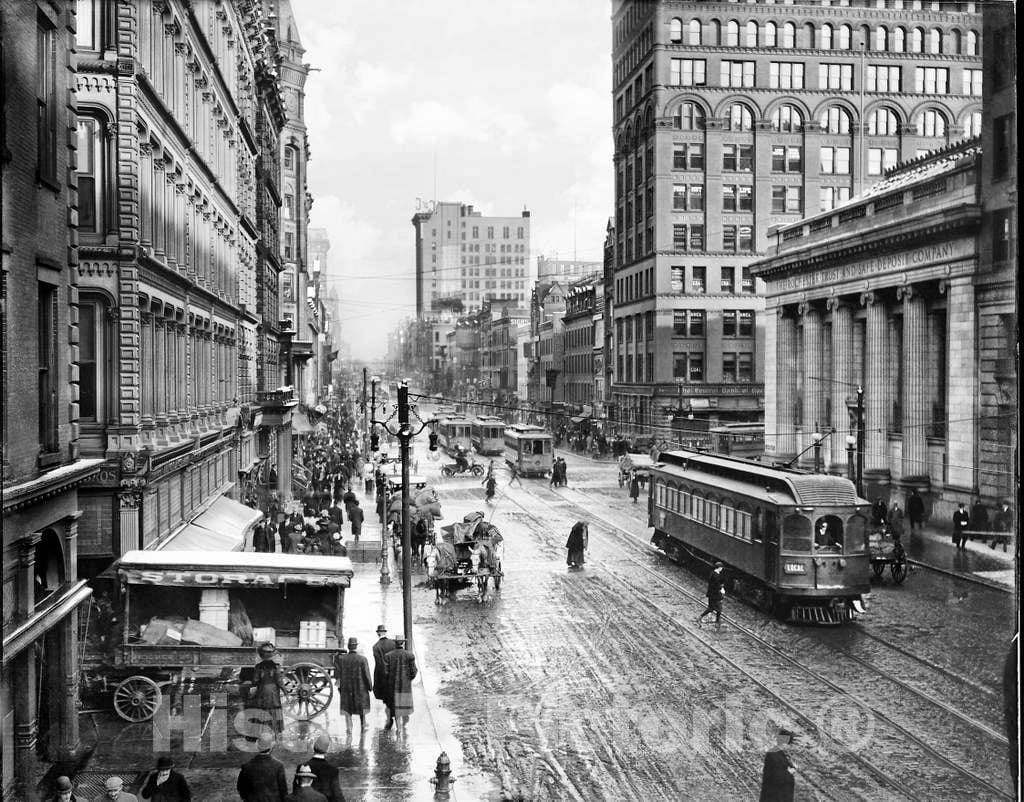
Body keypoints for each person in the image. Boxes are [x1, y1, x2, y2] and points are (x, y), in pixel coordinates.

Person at [332, 638, 372, 735]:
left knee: (347, 708)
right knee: (361, 707)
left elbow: (337, 674)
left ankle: (349, 728)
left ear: (348, 647)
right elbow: (366, 675)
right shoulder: (362, 659)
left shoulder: (341, 659)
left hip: (346, 688)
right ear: (356, 646)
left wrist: (339, 685)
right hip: (360, 688)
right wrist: (370, 687)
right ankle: (363, 726)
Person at [237, 731, 288, 802]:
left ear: (257, 746)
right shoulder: (278, 766)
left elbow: (241, 788)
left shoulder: (247, 766)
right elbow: (283, 790)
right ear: (271, 747)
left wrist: (248, 798)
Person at [292, 735, 345, 802]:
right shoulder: (333, 770)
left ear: (314, 747)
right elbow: (337, 795)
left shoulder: (302, 767)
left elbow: (296, 791)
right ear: (327, 750)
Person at [383, 637, 418, 734]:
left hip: (393, 685)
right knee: (404, 706)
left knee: (395, 707)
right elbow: (414, 671)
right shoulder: (409, 655)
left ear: (395, 643)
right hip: (405, 685)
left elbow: (385, 673)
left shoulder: (388, 656)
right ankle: (404, 727)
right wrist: (408, 679)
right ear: (403, 643)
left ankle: (398, 729)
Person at [251, 643, 284, 734]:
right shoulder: (277, 666)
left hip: (262, 691)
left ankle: (260, 731)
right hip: (273, 691)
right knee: (274, 708)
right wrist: (285, 691)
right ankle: (274, 730)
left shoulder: (258, 667)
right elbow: (279, 681)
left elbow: (255, 680)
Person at [759, 729, 797, 802]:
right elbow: (777, 776)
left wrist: (791, 766)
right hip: (774, 796)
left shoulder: (777, 753)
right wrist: (790, 772)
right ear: (784, 743)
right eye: (789, 744)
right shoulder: (774, 754)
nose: (789, 747)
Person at [371, 625, 397, 725]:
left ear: (378, 633)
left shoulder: (376, 646)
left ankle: (390, 717)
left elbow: (379, 663)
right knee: (393, 695)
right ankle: (394, 714)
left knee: (386, 697)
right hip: (394, 672)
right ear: (385, 632)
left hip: (383, 675)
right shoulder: (393, 643)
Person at [697, 562, 726, 629]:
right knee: (718, 609)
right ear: (719, 568)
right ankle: (717, 623)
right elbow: (716, 586)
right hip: (715, 595)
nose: (721, 569)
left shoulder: (712, 573)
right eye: (721, 568)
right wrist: (721, 589)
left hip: (711, 594)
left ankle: (702, 617)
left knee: (711, 608)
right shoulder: (716, 576)